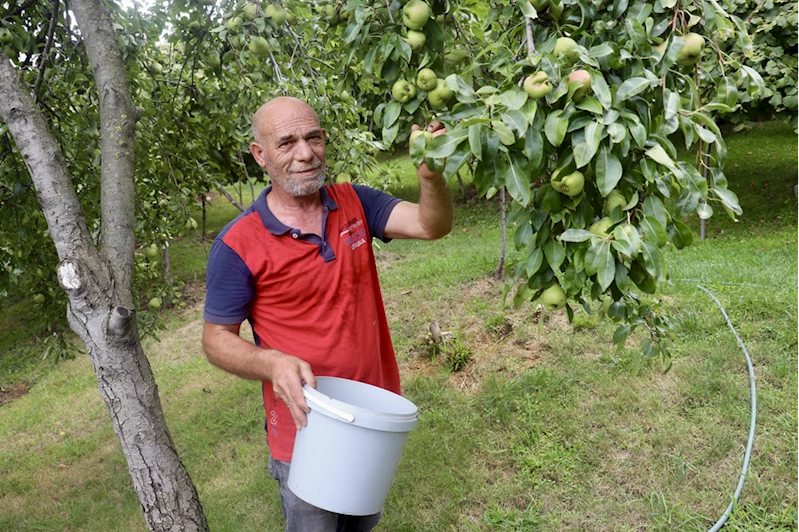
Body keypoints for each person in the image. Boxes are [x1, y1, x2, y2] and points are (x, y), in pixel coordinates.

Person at [202, 96, 453, 532]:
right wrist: (272, 361)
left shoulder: (354, 202)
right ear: (260, 155)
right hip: (305, 427)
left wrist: (430, 176)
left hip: (372, 417)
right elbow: (215, 338)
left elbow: (432, 225)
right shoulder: (238, 244)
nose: (305, 153)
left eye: (313, 137)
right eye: (287, 142)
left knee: (362, 522)